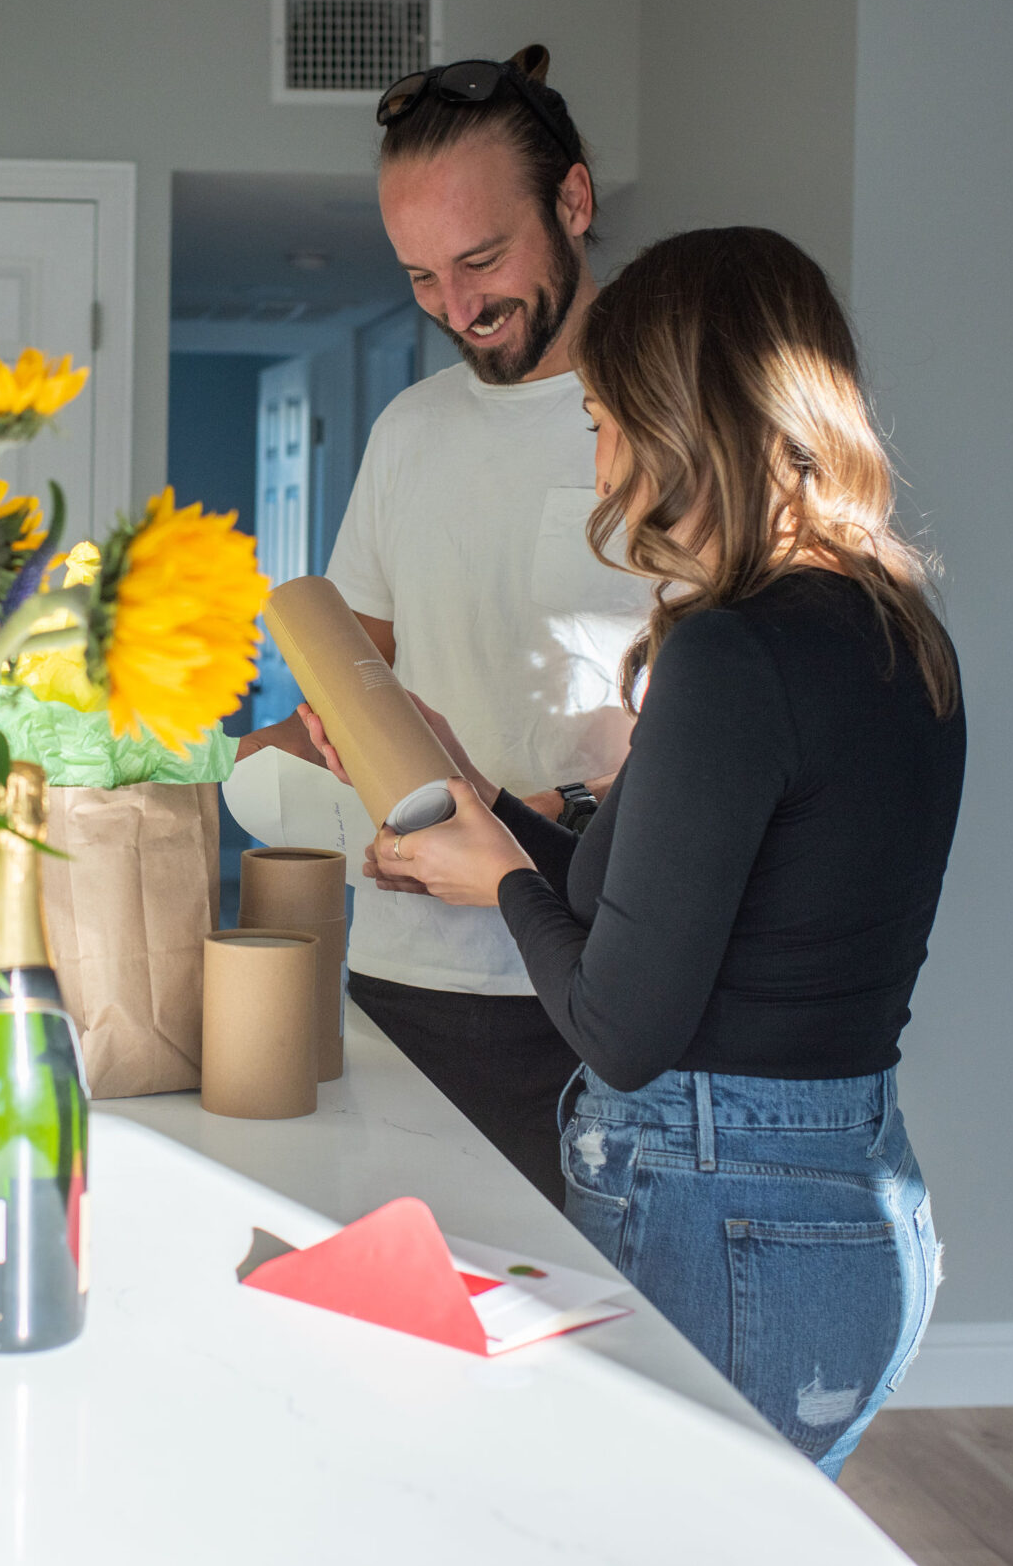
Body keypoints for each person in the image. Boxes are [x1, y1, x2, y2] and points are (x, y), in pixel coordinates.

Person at [308, 226, 962, 1476]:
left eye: (607, 417)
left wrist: (491, 874)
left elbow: (620, 1020)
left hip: (728, 1215)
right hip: (841, 1199)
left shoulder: (731, 654)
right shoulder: (887, 626)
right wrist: (489, 800)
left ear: (682, 421)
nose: (599, 453)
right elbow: (666, 901)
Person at [236, 47, 650, 1206]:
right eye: (419, 276)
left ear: (571, 201)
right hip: (398, 971)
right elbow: (350, 691)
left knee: (582, 1349)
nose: (457, 308)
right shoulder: (409, 430)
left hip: (579, 983)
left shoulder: (666, 420)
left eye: (482, 258)